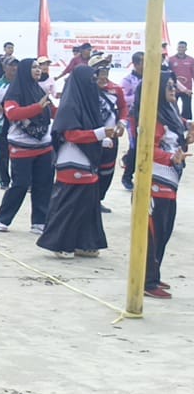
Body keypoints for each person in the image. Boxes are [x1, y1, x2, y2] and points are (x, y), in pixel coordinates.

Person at [36, 66, 115, 259]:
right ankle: (60, 243)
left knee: (87, 204)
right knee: (69, 204)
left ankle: (84, 243)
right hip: (72, 162)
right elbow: (70, 134)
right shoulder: (70, 105)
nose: (94, 84)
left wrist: (103, 139)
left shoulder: (90, 103)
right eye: (91, 81)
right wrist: (100, 134)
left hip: (87, 162)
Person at [0, 58, 56, 234]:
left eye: (39, 67)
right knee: (20, 184)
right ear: (24, 70)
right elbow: (13, 113)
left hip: (44, 144)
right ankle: (3, 219)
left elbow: (51, 112)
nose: (38, 70)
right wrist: (37, 107)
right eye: (34, 67)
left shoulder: (40, 90)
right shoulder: (14, 92)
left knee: (43, 184)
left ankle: (39, 222)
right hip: (21, 146)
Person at [142, 73, 188, 299]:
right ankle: (146, 281)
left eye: (174, 86)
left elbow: (176, 141)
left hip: (171, 182)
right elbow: (147, 148)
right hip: (156, 182)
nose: (173, 89)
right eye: (169, 86)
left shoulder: (172, 112)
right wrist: (170, 158)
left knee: (165, 231)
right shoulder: (153, 116)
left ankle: (154, 275)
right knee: (153, 234)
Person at [92, 53, 127, 212]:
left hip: (111, 136)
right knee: (91, 168)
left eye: (107, 69)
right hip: (91, 136)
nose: (104, 73)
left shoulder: (115, 89)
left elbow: (123, 108)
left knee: (107, 169)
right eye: (101, 70)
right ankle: (87, 201)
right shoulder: (85, 89)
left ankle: (98, 200)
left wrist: (122, 122)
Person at [0, 58, 19, 190]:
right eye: (11, 65)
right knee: (2, 154)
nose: (14, 68)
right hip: (2, 124)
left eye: (16, 65)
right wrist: (8, 111)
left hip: (18, 124)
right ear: (4, 67)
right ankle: (4, 180)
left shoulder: (21, 84)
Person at [121, 51, 144, 190]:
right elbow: (123, 99)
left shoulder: (152, 78)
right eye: (143, 62)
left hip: (150, 118)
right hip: (133, 118)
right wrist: (139, 96)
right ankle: (127, 177)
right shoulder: (128, 80)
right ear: (135, 64)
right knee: (135, 147)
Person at [170, 40, 194, 120]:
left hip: (187, 89)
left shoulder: (191, 60)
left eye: (182, 47)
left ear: (186, 49)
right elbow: (168, 74)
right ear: (177, 48)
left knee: (187, 109)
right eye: (179, 47)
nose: (180, 49)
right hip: (174, 89)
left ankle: (189, 127)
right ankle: (176, 125)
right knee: (173, 108)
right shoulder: (171, 60)